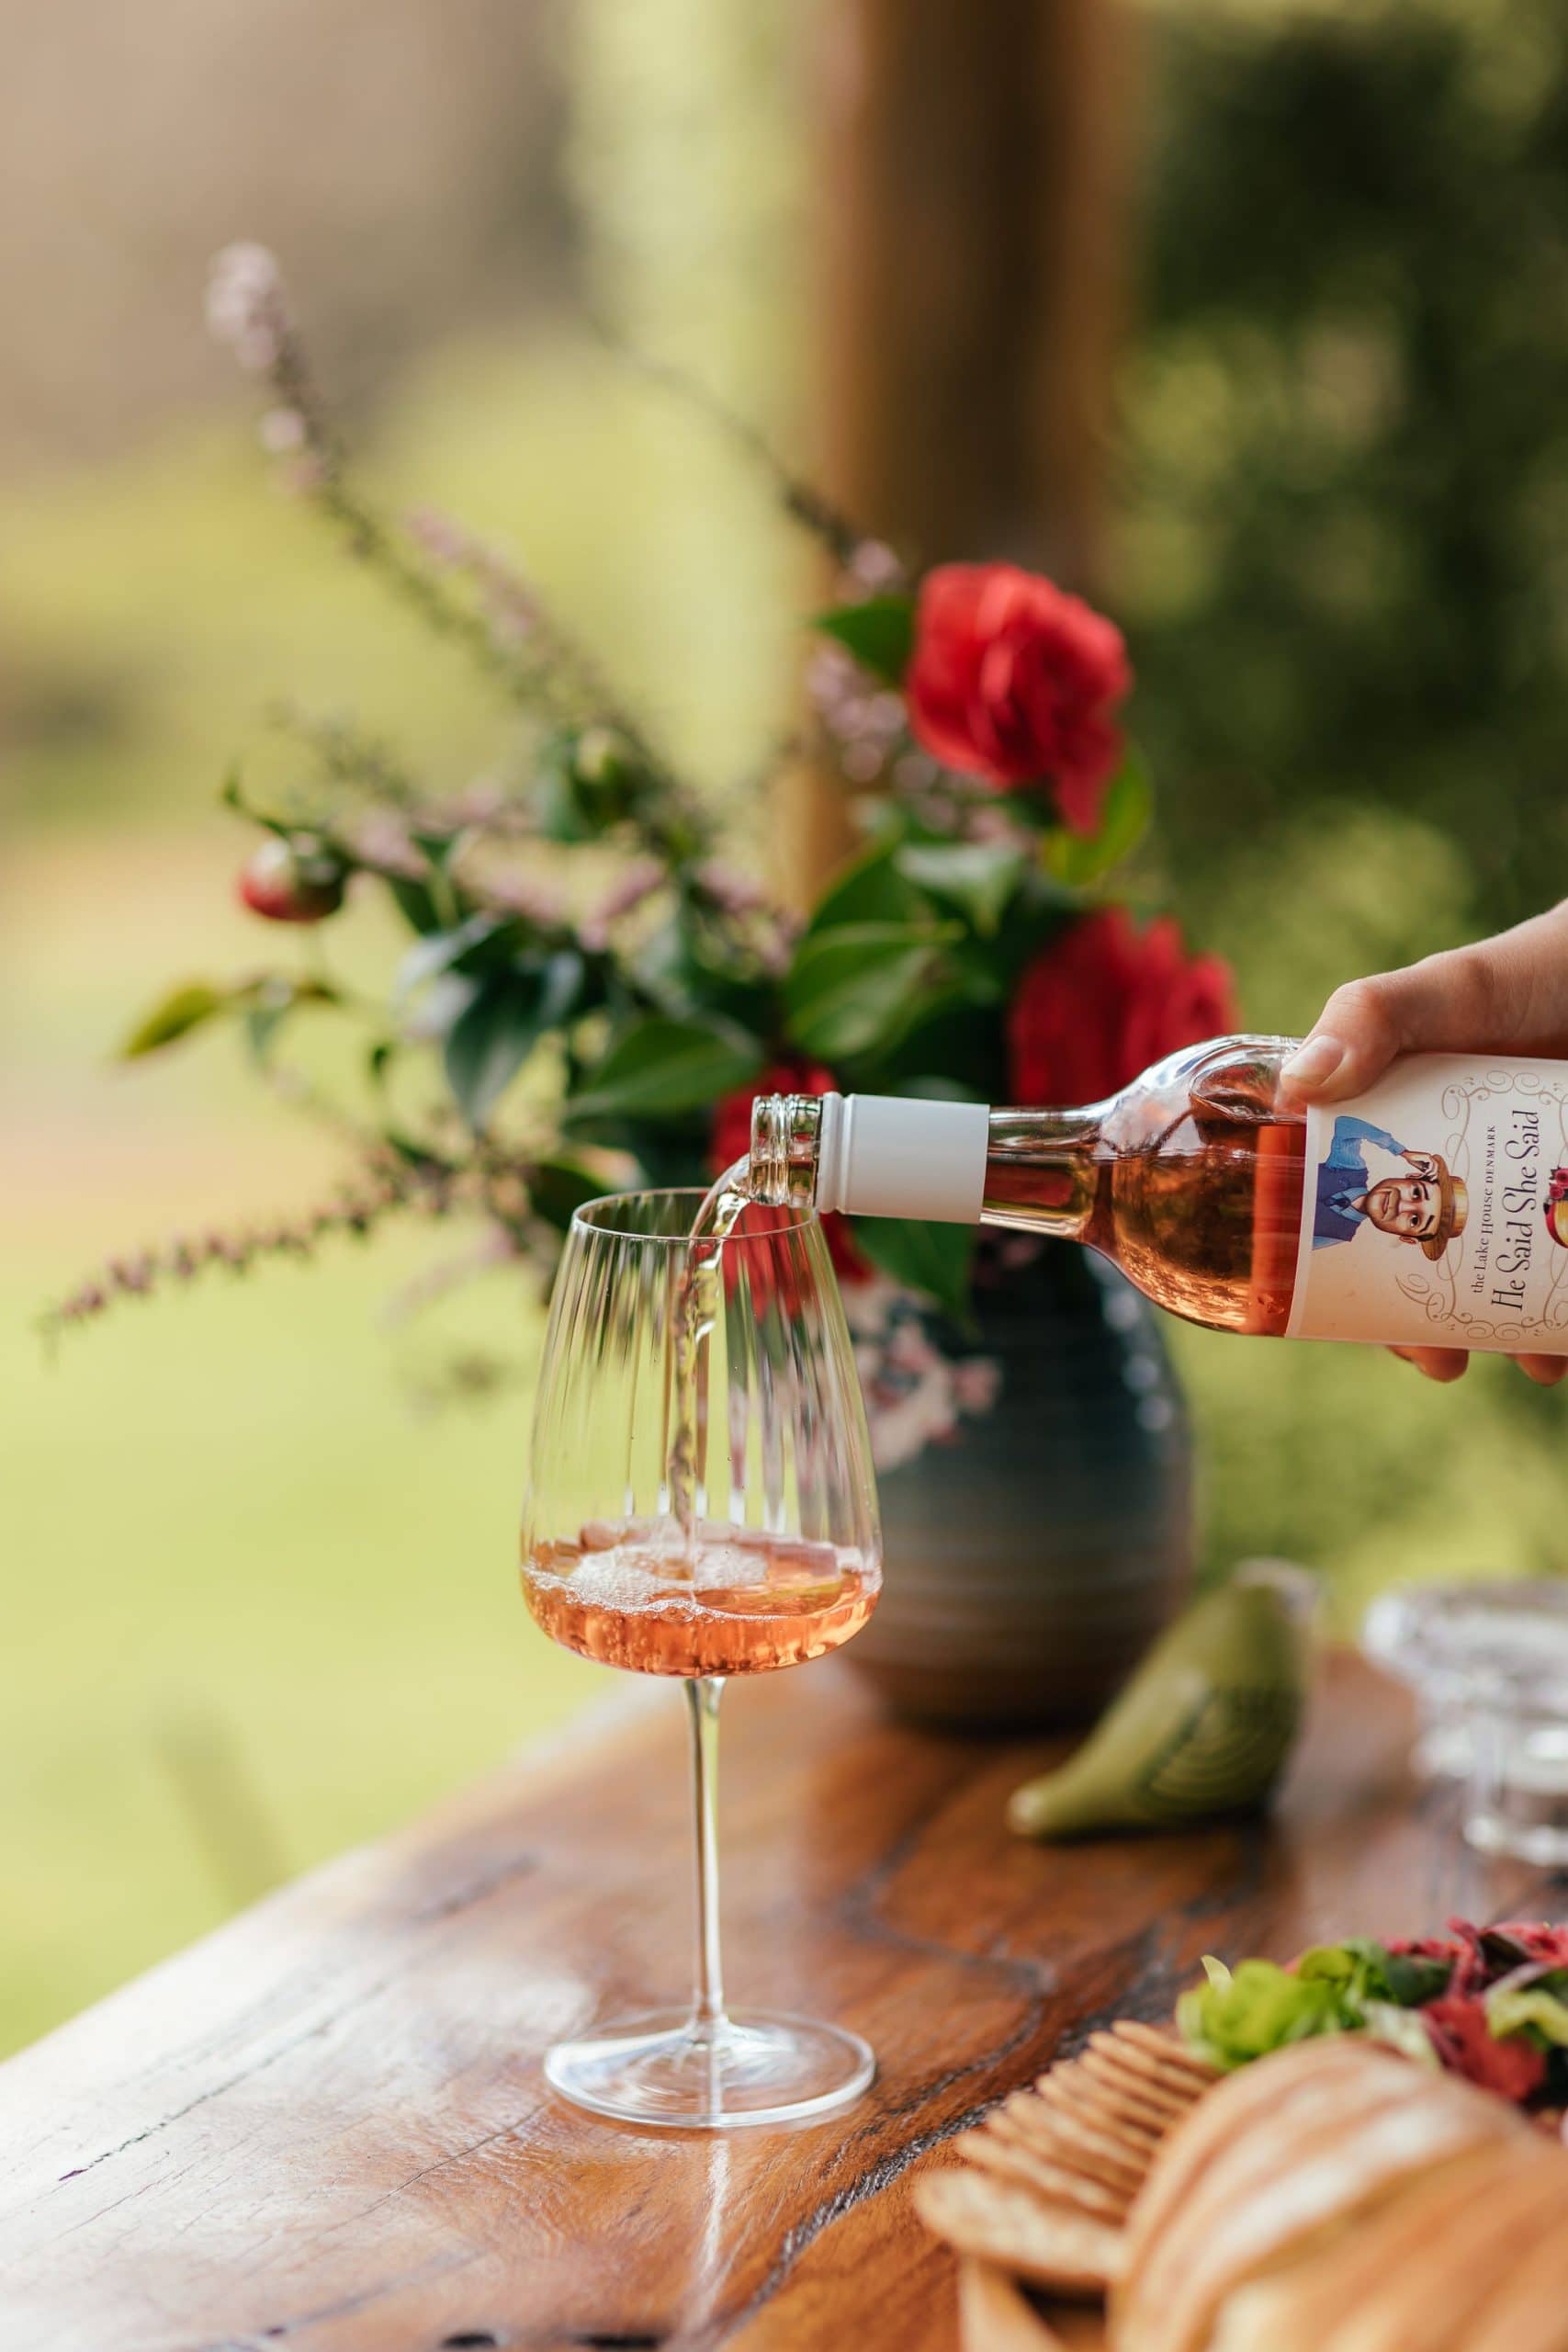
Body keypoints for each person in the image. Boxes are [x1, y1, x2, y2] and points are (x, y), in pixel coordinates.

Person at [1281, 899, 1568, 1385]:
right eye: (1419, 1194)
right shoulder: (1352, 1167)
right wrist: (1395, 1148)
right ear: (1411, 1176)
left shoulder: (1342, 1239)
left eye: (1417, 1220)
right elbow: (1348, 1128)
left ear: (1406, 1237)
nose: (1405, 1206)